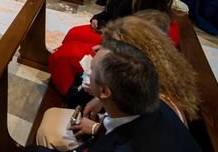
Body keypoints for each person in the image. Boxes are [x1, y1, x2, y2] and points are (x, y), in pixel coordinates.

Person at [35, 36, 201, 152]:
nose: (87, 72)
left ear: (105, 91)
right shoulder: (156, 100)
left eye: (91, 69)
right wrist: (96, 128)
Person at [48, 0, 149, 96]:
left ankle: (68, 86)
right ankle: (61, 70)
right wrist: (96, 18)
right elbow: (108, 11)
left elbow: (118, 25)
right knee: (73, 32)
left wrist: (101, 24)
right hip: (107, 30)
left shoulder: (129, 0)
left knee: (69, 51)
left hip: (112, 39)